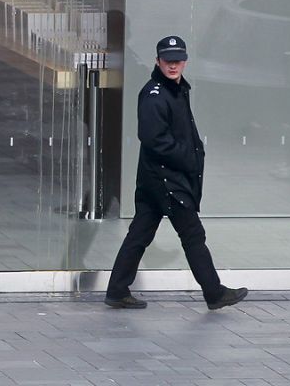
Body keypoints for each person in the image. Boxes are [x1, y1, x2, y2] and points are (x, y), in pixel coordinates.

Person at [105, 36, 248, 311]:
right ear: (157, 61)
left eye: (178, 60)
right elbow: (154, 139)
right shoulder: (155, 94)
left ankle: (117, 290)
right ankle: (214, 293)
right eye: (168, 60)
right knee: (192, 234)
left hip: (156, 178)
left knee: (139, 234)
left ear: (185, 62)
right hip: (165, 179)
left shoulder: (176, 89)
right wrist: (189, 157)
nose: (173, 65)